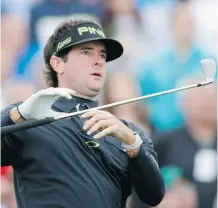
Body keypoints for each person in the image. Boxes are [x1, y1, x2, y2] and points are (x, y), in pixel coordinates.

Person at [1, 19, 165, 208]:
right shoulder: (26, 118)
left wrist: (132, 143)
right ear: (58, 64)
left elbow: (154, 195)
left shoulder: (126, 132)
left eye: (102, 55)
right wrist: (17, 115)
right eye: (86, 52)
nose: (98, 61)